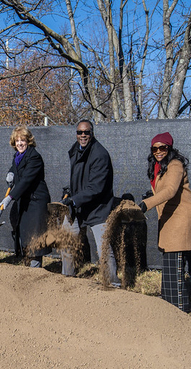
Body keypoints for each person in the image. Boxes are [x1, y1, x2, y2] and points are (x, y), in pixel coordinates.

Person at [139, 132, 191, 312]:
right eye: (155, 148)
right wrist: (151, 196)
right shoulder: (159, 166)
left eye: (162, 147)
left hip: (180, 219)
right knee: (169, 264)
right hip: (169, 218)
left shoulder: (175, 165)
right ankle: (167, 302)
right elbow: (163, 189)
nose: (158, 151)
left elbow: (171, 190)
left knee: (175, 265)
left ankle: (180, 309)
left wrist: (145, 204)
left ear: (169, 148)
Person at [60, 120, 120, 285]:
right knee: (67, 242)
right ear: (76, 134)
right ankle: (68, 279)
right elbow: (78, 179)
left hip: (97, 208)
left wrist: (74, 199)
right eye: (80, 132)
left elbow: (96, 187)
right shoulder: (76, 151)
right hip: (77, 206)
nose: (83, 135)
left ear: (92, 133)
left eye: (86, 132)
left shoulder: (100, 155)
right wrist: (68, 192)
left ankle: (113, 283)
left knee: (104, 249)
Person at [0, 126, 51, 266]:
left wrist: (10, 197)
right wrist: (11, 173)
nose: (20, 143)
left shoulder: (34, 157)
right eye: (17, 140)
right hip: (25, 202)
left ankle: (35, 269)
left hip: (36, 202)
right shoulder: (17, 156)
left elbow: (26, 180)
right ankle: (28, 266)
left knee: (35, 236)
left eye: (23, 140)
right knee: (25, 235)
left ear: (29, 141)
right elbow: (16, 169)